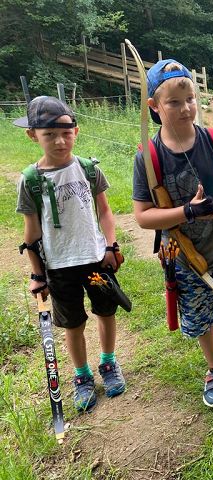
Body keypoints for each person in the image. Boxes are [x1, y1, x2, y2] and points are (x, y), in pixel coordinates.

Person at [132, 59, 213, 408]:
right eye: (174, 102)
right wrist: (188, 211)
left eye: (190, 99)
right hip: (183, 258)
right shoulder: (148, 157)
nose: (185, 108)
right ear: (154, 106)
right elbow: (143, 216)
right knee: (200, 317)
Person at [15, 96, 127, 413]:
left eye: (66, 133)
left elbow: (105, 212)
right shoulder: (31, 180)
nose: (60, 141)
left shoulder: (89, 170)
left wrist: (111, 245)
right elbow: (31, 233)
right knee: (73, 323)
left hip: (95, 259)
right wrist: (37, 274)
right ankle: (82, 375)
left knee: (106, 311)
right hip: (59, 265)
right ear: (33, 135)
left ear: (76, 131)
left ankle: (108, 362)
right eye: (49, 134)